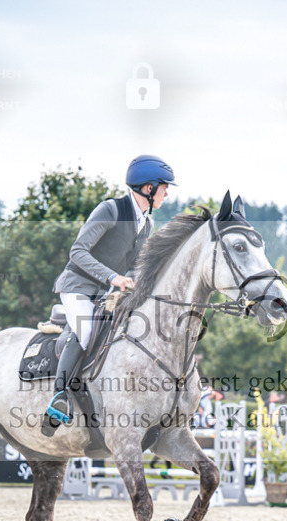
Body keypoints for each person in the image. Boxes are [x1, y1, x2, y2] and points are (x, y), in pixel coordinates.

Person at [43, 154, 176, 430]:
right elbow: (77, 252)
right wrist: (113, 277)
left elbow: (134, 267)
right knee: (86, 331)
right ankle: (59, 395)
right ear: (148, 189)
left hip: (107, 294)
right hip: (77, 287)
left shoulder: (147, 224)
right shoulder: (111, 210)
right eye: (164, 187)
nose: (167, 192)